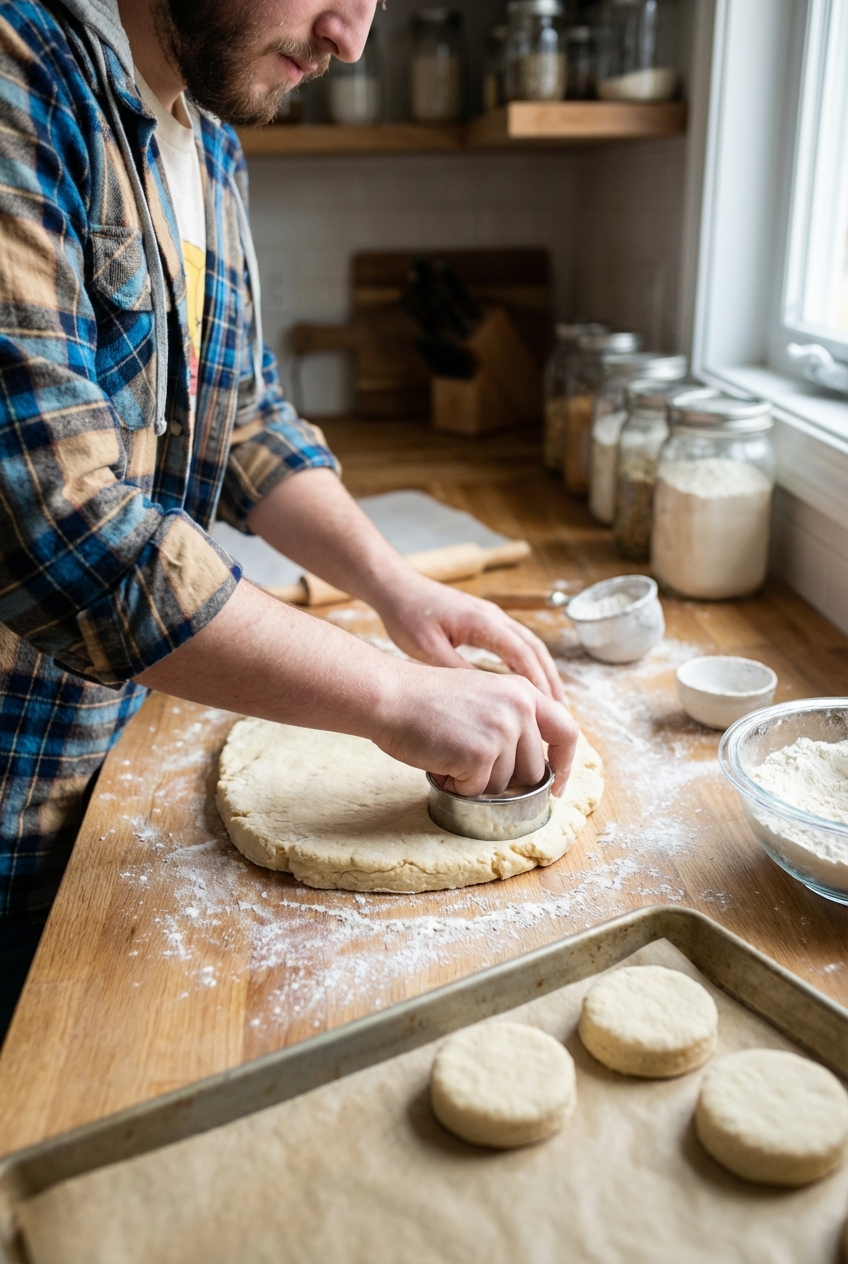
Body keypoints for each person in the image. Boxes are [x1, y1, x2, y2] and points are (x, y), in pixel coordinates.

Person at [0, 0, 578, 1038]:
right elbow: (64, 530)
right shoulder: (20, 75)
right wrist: (393, 697)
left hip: (107, 779)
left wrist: (396, 589)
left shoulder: (209, 132)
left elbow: (245, 420)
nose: (351, 38)